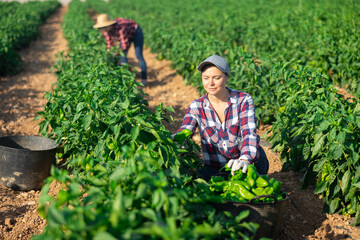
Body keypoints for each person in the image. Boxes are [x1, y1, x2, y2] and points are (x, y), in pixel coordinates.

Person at [175, 55, 269, 181]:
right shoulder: (197, 106)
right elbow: (185, 130)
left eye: (216, 78)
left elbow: (249, 134)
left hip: (249, 164)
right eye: (206, 78)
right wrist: (172, 141)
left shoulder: (243, 100)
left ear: (226, 78)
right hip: (216, 167)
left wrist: (244, 160)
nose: (210, 83)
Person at [93, 14, 148, 85]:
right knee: (121, 56)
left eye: (105, 27)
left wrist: (117, 53)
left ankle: (144, 79)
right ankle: (126, 79)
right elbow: (109, 45)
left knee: (138, 55)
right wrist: (109, 55)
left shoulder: (121, 28)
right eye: (102, 28)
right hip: (126, 35)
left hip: (136, 32)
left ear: (109, 25)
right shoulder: (106, 31)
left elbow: (124, 46)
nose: (104, 29)